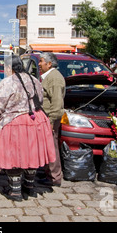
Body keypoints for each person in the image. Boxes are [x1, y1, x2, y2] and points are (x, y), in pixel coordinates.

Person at [0, 55, 56, 201]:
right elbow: (40, 100)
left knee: (15, 156)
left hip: (15, 122)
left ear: (8, 68)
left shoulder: (8, 82)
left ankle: (15, 191)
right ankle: (29, 186)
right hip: (36, 120)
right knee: (31, 154)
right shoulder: (35, 80)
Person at [37, 52, 65, 187]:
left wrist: (51, 120)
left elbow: (57, 103)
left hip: (50, 119)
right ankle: (48, 173)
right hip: (46, 118)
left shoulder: (54, 78)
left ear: (49, 64)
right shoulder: (49, 77)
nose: (39, 64)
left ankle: (54, 177)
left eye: (41, 61)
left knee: (52, 147)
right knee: (48, 147)